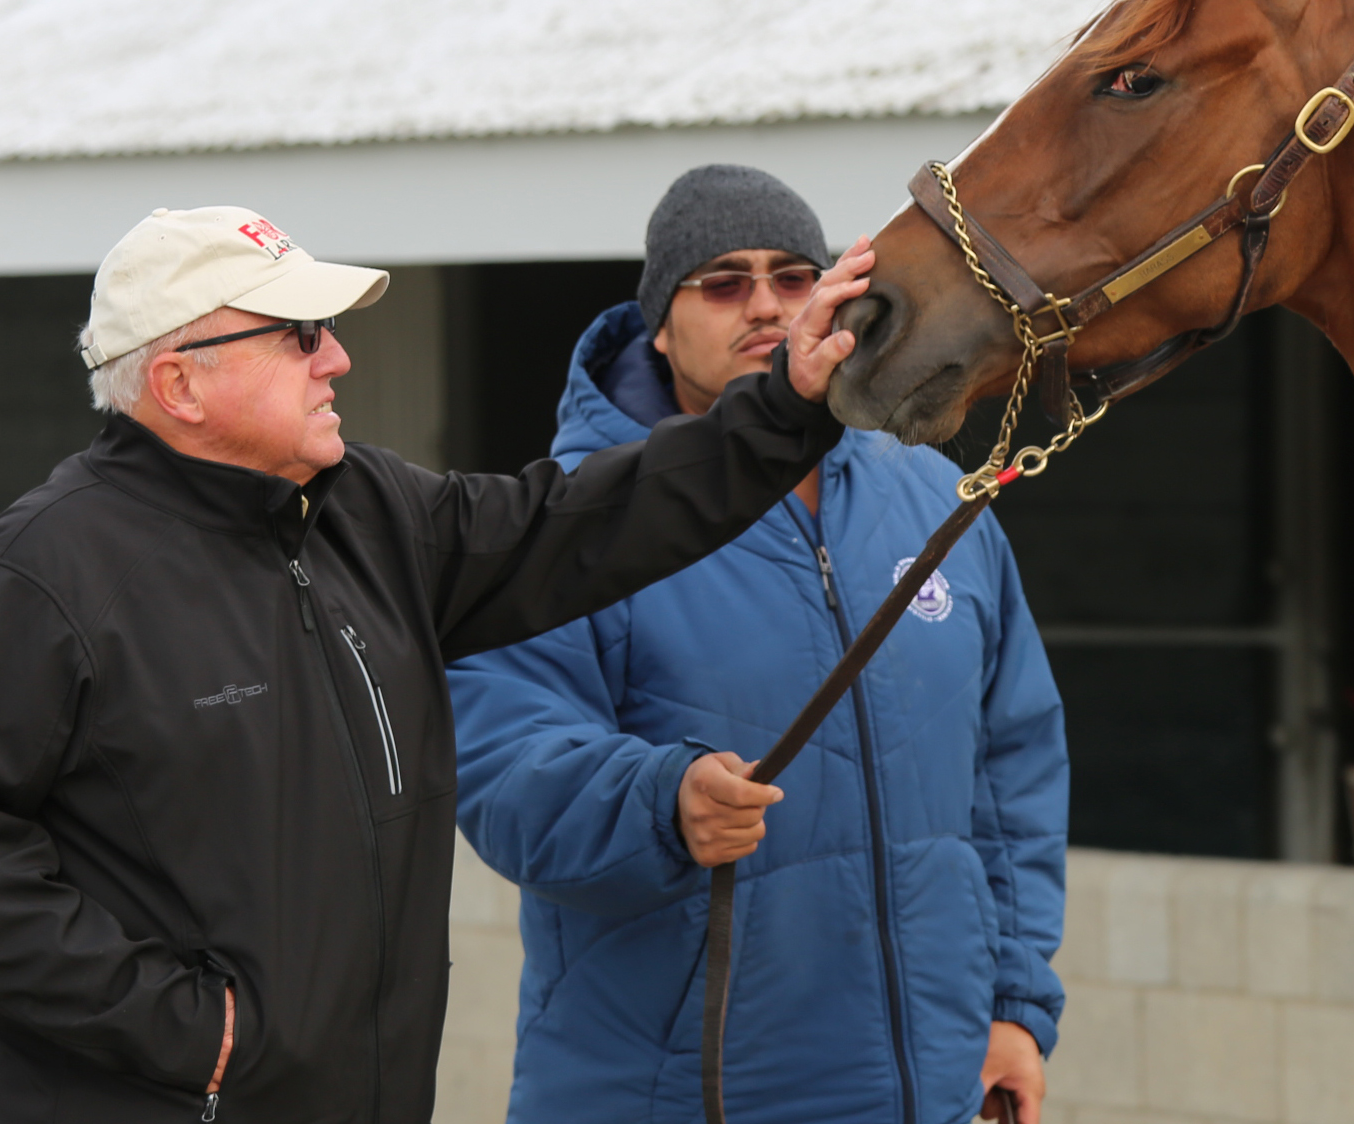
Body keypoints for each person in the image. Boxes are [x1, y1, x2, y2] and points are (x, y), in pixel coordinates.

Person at [0, 203, 869, 1123]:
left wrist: (782, 408)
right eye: (298, 335)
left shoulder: (370, 512)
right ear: (179, 383)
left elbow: (584, 523)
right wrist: (189, 1034)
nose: (337, 358)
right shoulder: (36, 576)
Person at [449, 165, 1068, 1124]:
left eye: (792, 276)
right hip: (670, 1097)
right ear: (659, 321)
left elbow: (1013, 768)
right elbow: (501, 769)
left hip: (927, 1089)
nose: (768, 307)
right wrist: (660, 802)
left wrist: (1014, 1010)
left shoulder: (938, 502)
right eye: (724, 283)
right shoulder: (568, 517)